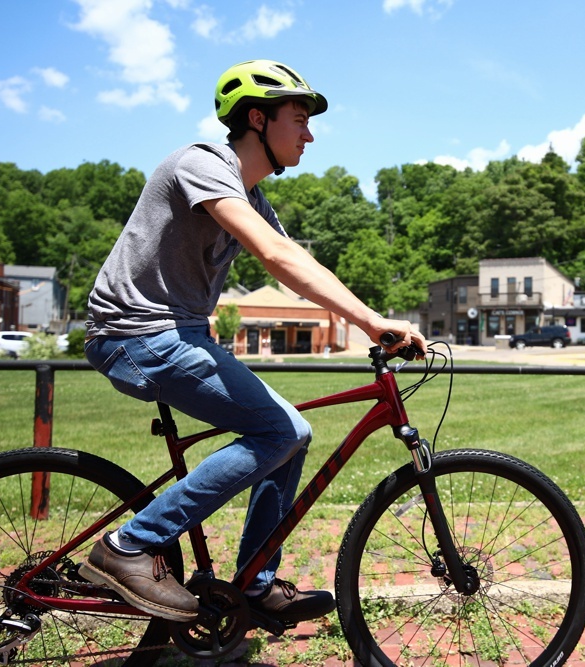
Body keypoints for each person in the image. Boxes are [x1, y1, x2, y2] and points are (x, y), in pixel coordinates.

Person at [79, 59, 426, 624]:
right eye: (300, 118)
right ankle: (130, 548)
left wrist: (371, 317)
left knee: (293, 431)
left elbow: (296, 267)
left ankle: (253, 585)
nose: (310, 134)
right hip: (135, 334)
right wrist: (370, 321)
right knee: (280, 429)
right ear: (258, 120)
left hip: (174, 333)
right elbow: (275, 254)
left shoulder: (251, 197)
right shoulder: (202, 165)